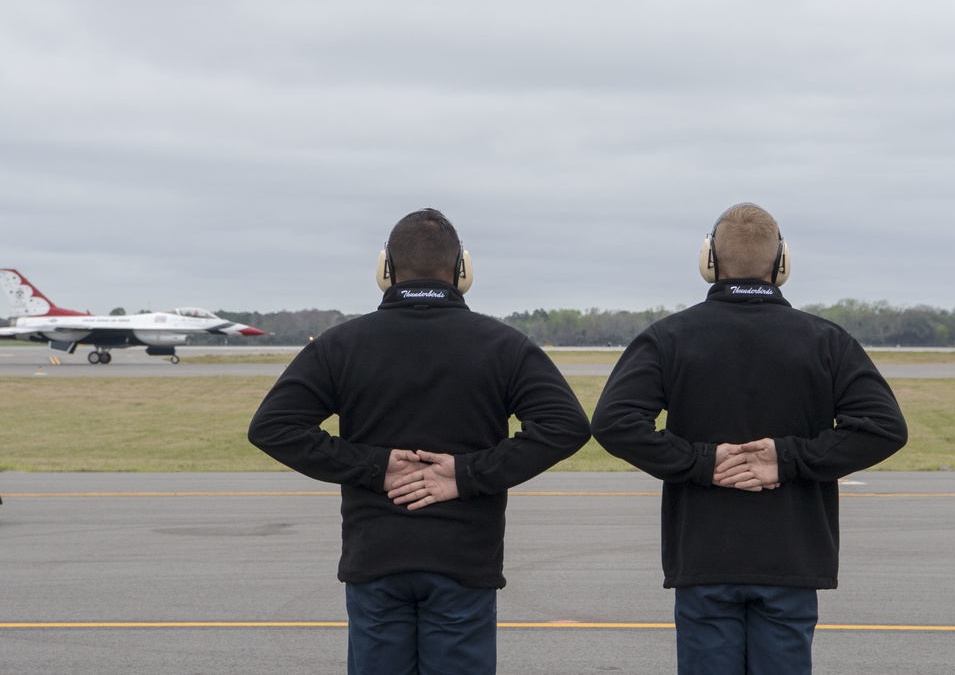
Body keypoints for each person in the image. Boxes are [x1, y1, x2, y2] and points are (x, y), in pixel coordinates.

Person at [248, 208, 591, 675]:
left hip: (376, 558)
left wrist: (375, 467)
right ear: (462, 271)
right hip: (463, 560)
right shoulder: (503, 345)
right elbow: (566, 426)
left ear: (385, 270)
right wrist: (466, 475)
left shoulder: (341, 344)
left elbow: (273, 426)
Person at [590, 203, 907, 675]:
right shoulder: (827, 341)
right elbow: (885, 427)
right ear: (782, 263)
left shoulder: (668, 337)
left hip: (703, 559)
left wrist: (703, 463)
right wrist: (787, 458)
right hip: (791, 559)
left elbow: (613, 422)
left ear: (709, 262)